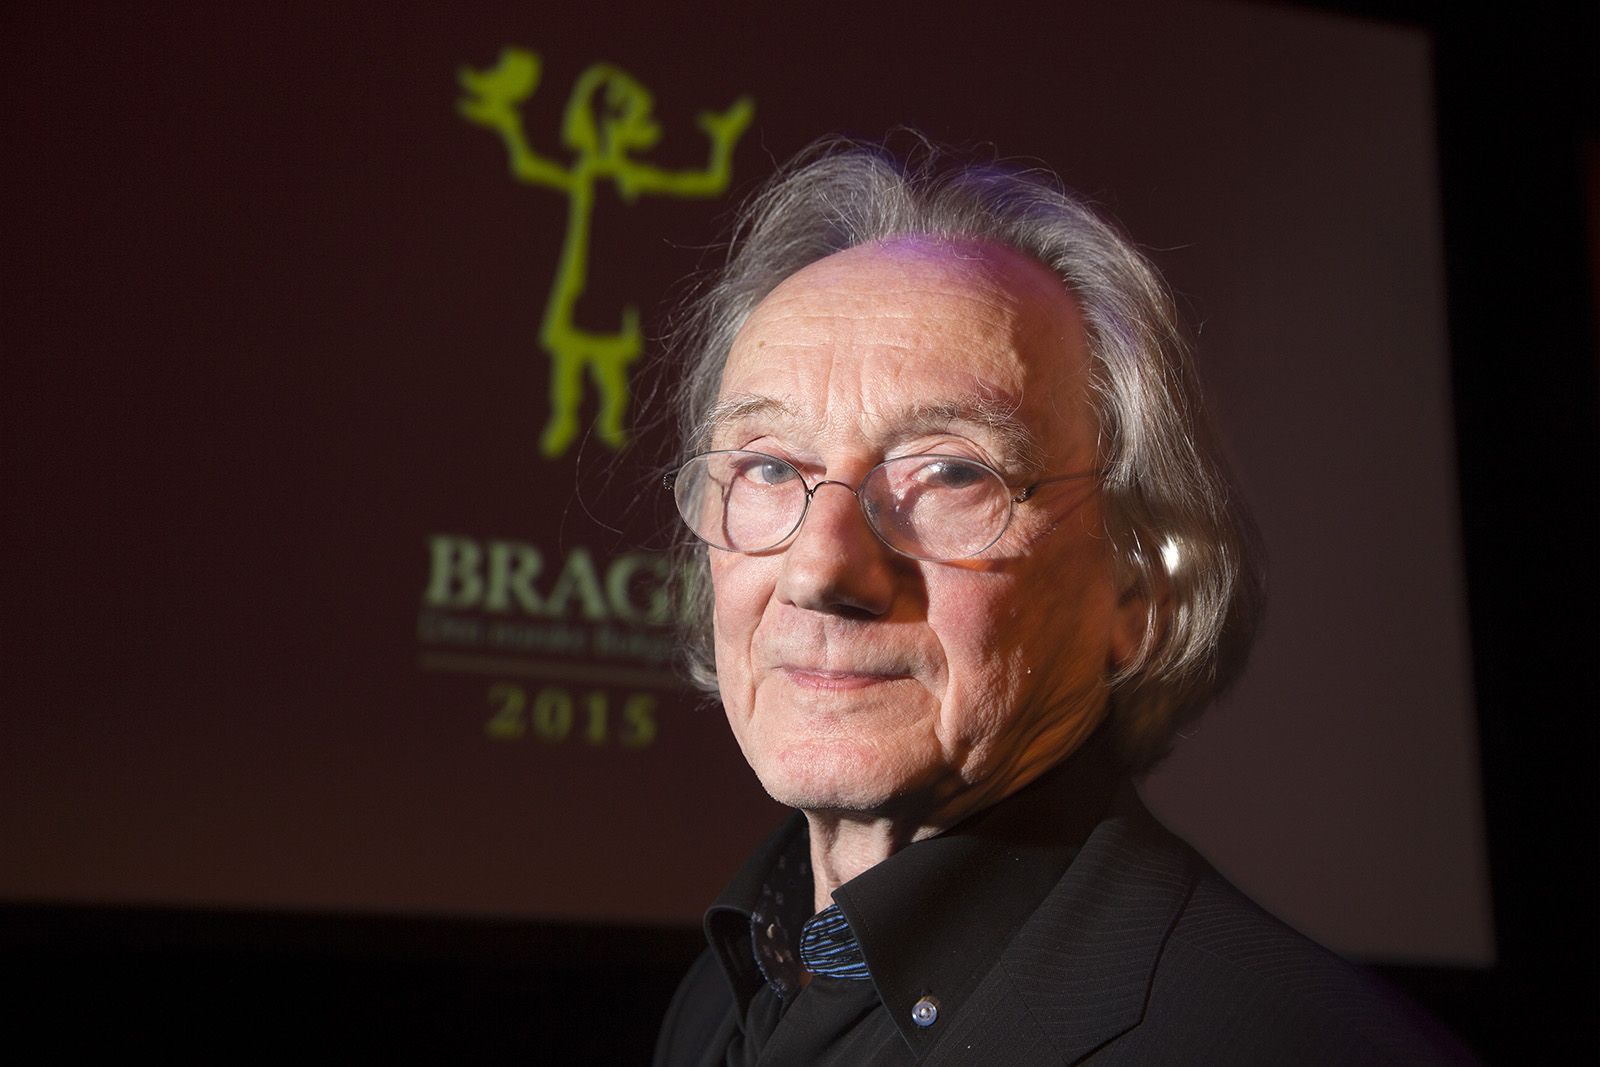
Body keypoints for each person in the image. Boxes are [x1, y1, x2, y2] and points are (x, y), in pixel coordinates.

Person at [653, 139, 1470, 1065]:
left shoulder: (1289, 1045)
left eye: (951, 472)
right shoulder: (719, 998)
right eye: (767, 466)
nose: (820, 570)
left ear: (1138, 586)